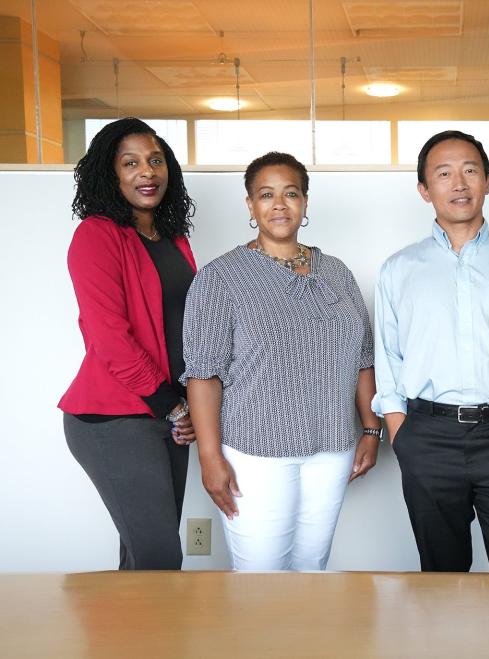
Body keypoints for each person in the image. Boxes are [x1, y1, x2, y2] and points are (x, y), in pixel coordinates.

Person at [373, 130, 489, 574]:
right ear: (424, 190)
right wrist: (403, 437)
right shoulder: (399, 269)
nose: (459, 183)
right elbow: (388, 360)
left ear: (488, 181)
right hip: (428, 438)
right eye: (444, 173)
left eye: (470, 170)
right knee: (441, 578)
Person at [182, 152, 379, 571]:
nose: (279, 205)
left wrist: (371, 430)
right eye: (266, 195)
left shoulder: (337, 272)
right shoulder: (221, 277)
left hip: (332, 448)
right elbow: (203, 374)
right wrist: (209, 457)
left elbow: (362, 356)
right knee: (261, 576)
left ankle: (306, 641)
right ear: (250, 206)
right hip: (255, 453)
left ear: (305, 203)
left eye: (291, 193)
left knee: (312, 570)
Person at [60, 117, 198, 570]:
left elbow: (186, 326)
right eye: (131, 163)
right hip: (113, 419)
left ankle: (125, 643)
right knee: (159, 557)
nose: (148, 172)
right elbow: (109, 337)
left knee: (143, 559)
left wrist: (189, 402)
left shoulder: (173, 238)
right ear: (110, 173)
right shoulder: (96, 236)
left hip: (167, 411)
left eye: (156, 160)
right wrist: (171, 405)